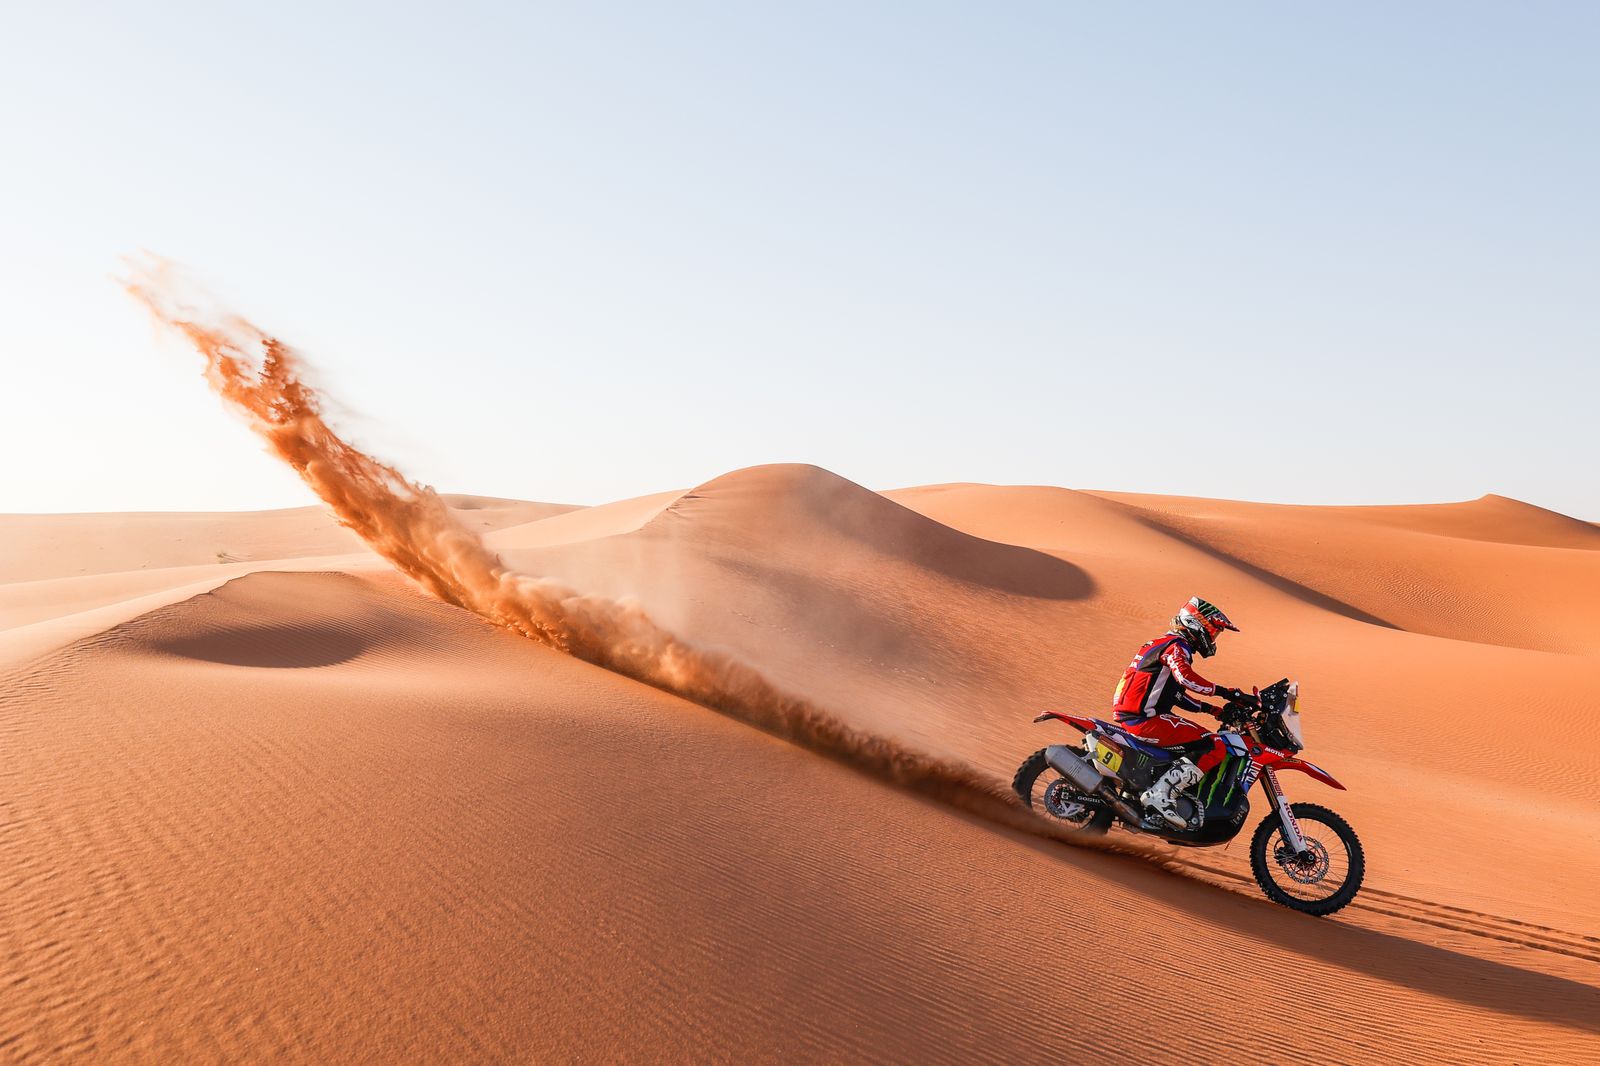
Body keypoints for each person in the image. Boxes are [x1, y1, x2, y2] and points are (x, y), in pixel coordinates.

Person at [1109, 596, 1254, 828]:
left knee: (1193, 743)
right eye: (1214, 631)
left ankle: (1150, 793)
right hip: (1146, 719)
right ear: (1198, 624)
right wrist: (1228, 693)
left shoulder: (1163, 643)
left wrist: (1213, 710)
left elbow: (1175, 695)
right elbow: (1186, 678)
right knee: (1213, 744)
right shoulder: (1177, 645)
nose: (1214, 638)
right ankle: (1161, 795)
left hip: (1142, 715)